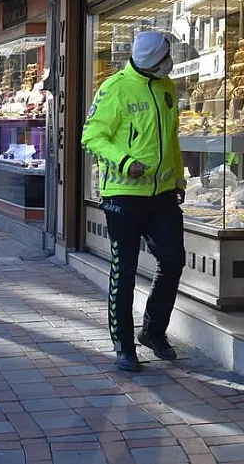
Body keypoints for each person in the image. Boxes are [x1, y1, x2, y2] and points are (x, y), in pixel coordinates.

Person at [80, 31, 186, 373]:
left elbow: (171, 139)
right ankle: (123, 344)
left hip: (163, 194)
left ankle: (153, 331)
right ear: (153, 61)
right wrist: (125, 162)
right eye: (166, 58)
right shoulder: (115, 88)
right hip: (123, 196)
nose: (170, 63)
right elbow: (92, 136)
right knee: (123, 272)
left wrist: (179, 179)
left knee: (173, 261)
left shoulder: (168, 87)